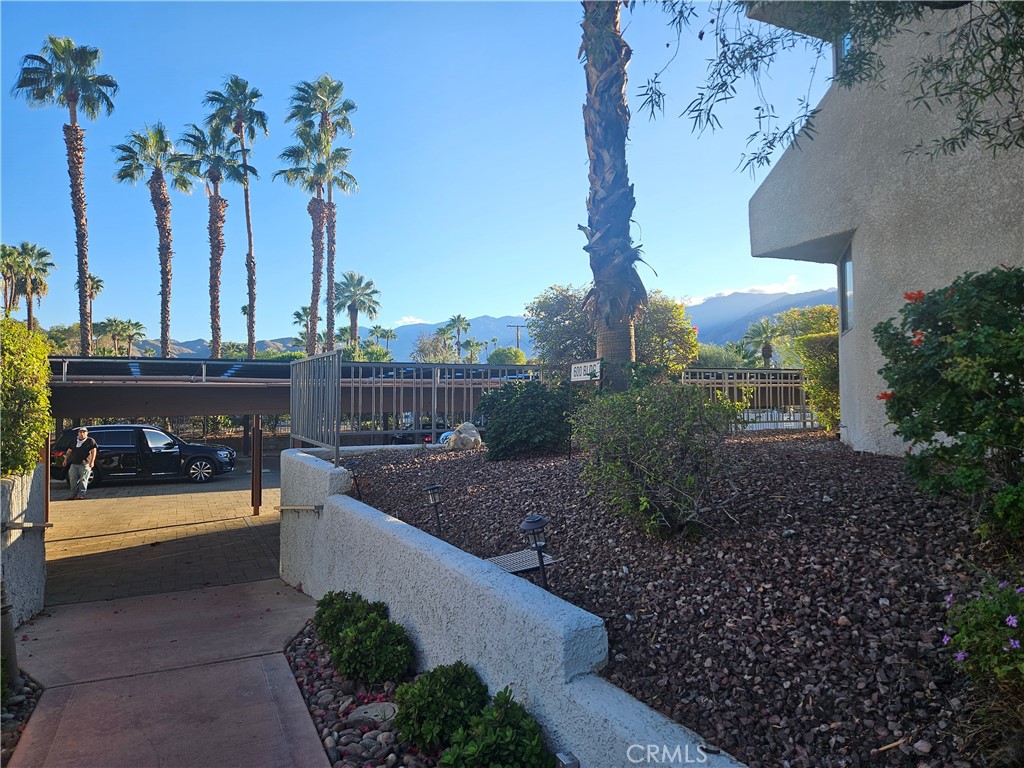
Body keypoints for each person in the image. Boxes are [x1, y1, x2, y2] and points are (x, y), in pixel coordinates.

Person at [64, 426, 97, 500]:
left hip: (85, 463)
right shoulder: (74, 441)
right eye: (80, 432)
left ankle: (82, 494)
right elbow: (69, 451)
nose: (82, 434)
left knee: (83, 479)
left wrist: (92, 461)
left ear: (87, 433)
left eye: (84, 432)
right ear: (78, 433)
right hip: (74, 463)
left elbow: (93, 451)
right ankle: (73, 494)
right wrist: (65, 459)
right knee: (72, 479)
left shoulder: (90, 441)